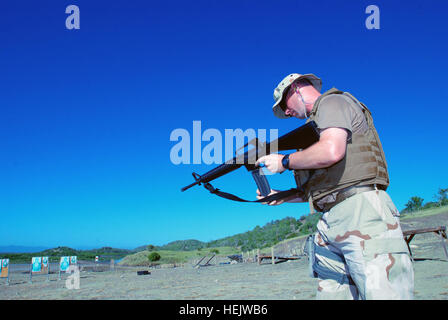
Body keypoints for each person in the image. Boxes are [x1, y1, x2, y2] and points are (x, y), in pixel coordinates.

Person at [255, 73, 414, 300]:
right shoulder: (314, 130)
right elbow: (321, 187)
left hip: (361, 211)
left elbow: (331, 151)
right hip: (331, 219)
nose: (287, 112)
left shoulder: (332, 102)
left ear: (297, 88)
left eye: (284, 104)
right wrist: (279, 196)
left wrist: (284, 161)